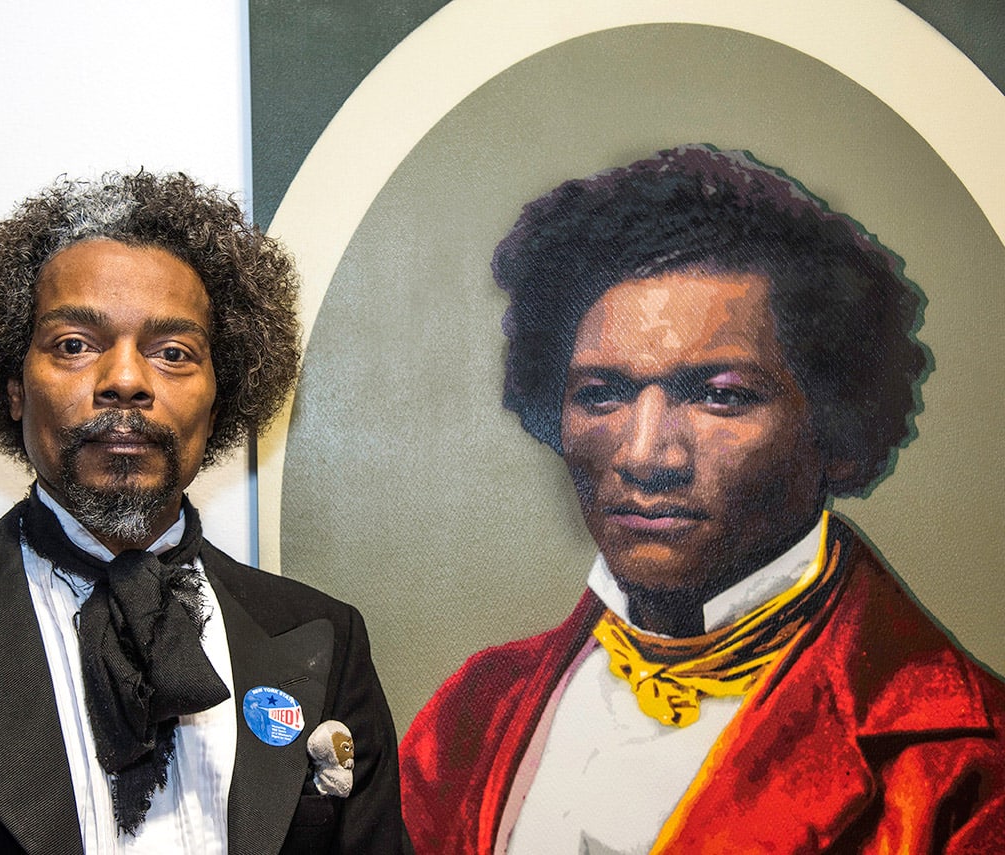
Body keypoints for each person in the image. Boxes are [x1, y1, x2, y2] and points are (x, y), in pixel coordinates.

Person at [0, 172, 407, 854]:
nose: (125, 380)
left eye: (173, 353)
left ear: (220, 398)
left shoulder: (324, 638)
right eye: (74, 344)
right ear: (15, 387)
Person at [399, 146, 1005, 854]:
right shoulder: (469, 719)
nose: (644, 455)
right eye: (602, 394)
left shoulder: (963, 769)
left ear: (836, 425)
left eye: (720, 397)